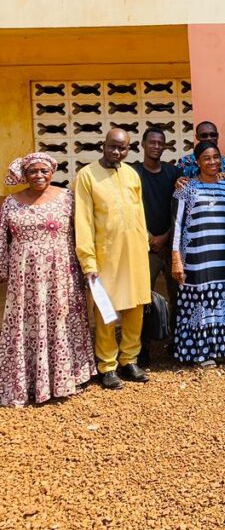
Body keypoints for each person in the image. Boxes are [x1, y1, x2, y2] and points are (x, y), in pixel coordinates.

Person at [0, 153, 96, 407]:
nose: (39, 176)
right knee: (28, 324)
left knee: (61, 319)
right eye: (33, 171)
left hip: (61, 274)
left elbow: (83, 232)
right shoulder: (11, 202)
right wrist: (3, 269)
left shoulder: (67, 198)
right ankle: (27, 382)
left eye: (44, 171)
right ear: (24, 174)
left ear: (52, 172)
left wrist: (89, 265)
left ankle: (66, 377)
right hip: (25, 279)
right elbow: (2, 238)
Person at [75, 128, 151, 389]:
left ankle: (129, 360)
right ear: (103, 145)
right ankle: (107, 365)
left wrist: (144, 247)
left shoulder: (131, 174)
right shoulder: (87, 176)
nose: (117, 152)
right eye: (112, 147)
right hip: (105, 255)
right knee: (106, 310)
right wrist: (88, 262)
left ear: (129, 149)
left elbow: (139, 213)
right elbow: (83, 221)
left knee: (135, 308)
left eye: (122, 148)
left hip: (135, 253)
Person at [171, 141, 225, 368]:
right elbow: (177, 224)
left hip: (224, 257)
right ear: (198, 162)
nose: (212, 162)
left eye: (215, 157)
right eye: (206, 158)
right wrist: (176, 258)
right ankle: (202, 352)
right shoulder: (185, 189)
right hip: (196, 259)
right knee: (200, 304)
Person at [132, 127, 182, 366]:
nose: (156, 146)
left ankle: (176, 344)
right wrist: (150, 237)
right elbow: (130, 208)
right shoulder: (133, 173)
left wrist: (165, 237)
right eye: (151, 142)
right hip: (145, 247)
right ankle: (142, 348)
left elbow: (181, 210)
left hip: (171, 245)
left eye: (160, 143)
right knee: (143, 298)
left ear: (165, 146)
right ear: (143, 144)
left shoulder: (174, 173)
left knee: (177, 297)